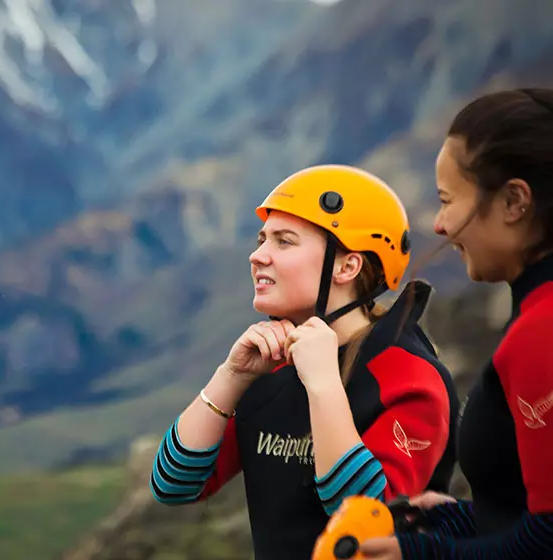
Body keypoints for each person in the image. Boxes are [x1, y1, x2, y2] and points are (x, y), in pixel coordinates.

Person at [148, 164, 461, 559]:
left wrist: (324, 385)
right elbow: (174, 485)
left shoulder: (408, 375)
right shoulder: (272, 362)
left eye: (284, 241)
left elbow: (367, 519)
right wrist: (231, 377)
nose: (257, 256)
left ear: (348, 266)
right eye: (262, 239)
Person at [359, 88, 553, 559]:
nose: (441, 226)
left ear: (514, 201)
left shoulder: (541, 333)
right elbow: (524, 517)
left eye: (448, 200)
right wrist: (456, 518)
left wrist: (419, 555)